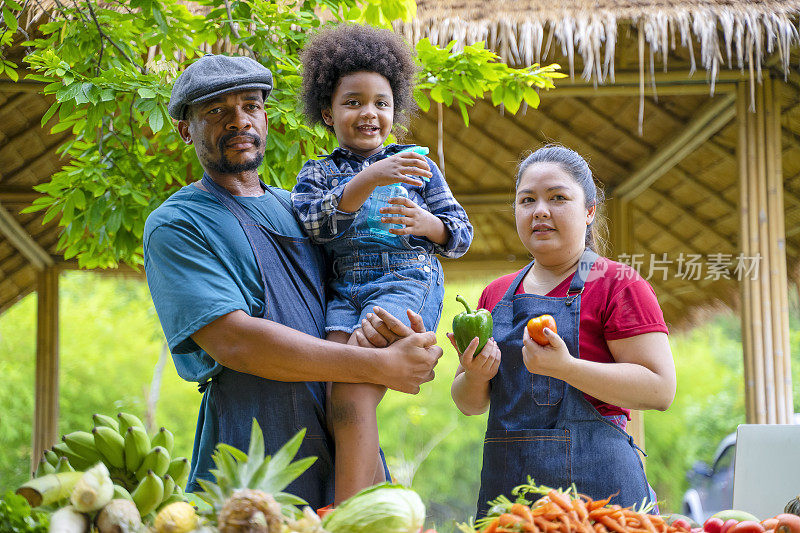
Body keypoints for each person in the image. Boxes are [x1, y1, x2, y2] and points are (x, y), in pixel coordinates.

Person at [143, 53, 443, 510]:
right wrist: (379, 368)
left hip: (345, 446)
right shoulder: (179, 224)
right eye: (216, 112)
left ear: (265, 116)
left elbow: (382, 274)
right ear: (187, 129)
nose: (238, 121)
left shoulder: (305, 209)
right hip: (253, 455)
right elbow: (237, 342)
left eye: (250, 106)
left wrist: (402, 335)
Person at [291, 24, 473, 504]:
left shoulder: (418, 164)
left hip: (405, 283)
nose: (368, 112)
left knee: (353, 395)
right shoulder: (317, 173)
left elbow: (461, 234)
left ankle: (346, 518)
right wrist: (368, 179)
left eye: (381, 102)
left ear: (396, 110)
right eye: (353, 101)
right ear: (327, 112)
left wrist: (428, 223)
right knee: (337, 401)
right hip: (345, 293)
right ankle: (385, 510)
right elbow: (313, 223)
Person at [449, 145, 676, 515]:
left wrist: (565, 368)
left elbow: (660, 389)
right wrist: (474, 376)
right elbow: (468, 403)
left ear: (589, 211)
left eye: (557, 197)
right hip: (510, 505)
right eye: (527, 200)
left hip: (604, 507)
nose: (540, 210)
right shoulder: (496, 294)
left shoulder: (618, 283)